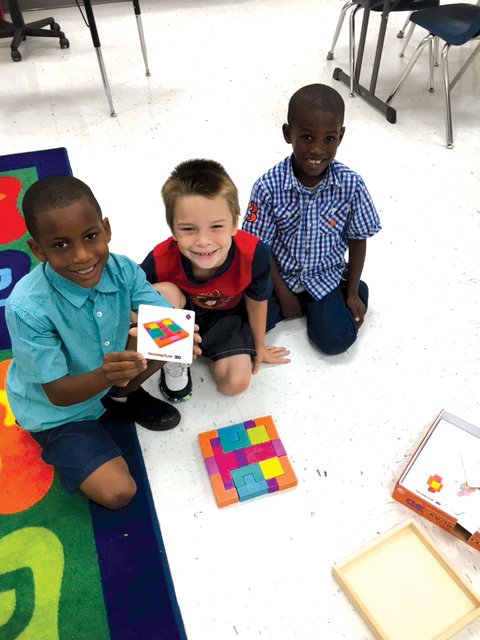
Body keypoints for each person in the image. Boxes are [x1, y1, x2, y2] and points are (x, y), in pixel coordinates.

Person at [6, 176, 200, 509]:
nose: (82, 256)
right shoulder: (26, 307)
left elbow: (161, 316)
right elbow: (57, 393)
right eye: (60, 245)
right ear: (38, 250)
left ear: (106, 230)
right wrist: (108, 375)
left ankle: (120, 399)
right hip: (55, 413)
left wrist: (181, 339)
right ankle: (93, 415)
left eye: (91, 236)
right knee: (119, 493)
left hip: (105, 375)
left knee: (168, 335)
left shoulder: (122, 269)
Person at [242, 83, 381, 355]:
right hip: (278, 277)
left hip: (325, 276)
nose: (317, 149)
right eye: (306, 137)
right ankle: (304, 304)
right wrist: (283, 295)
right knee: (246, 332)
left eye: (329, 139)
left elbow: (358, 239)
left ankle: (347, 288)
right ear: (287, 133)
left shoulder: (351, 185)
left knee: (335, 341)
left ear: (340, 137)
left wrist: (351, 292)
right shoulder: (267, 186)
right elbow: (259, 247)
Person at [141, 158, 290, 401]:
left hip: (227, 318)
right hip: (182, 310)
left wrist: (259, 346)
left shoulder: (254, 253)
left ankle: (209, 351)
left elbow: (257, 300)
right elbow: (136, 300)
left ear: (234, 224)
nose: (203, 240)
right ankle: (174, 360)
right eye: (189, 229)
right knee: (162, 293)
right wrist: (170, 339)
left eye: (216, 227)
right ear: (173, 229)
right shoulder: (160, 257)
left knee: (236, 384)